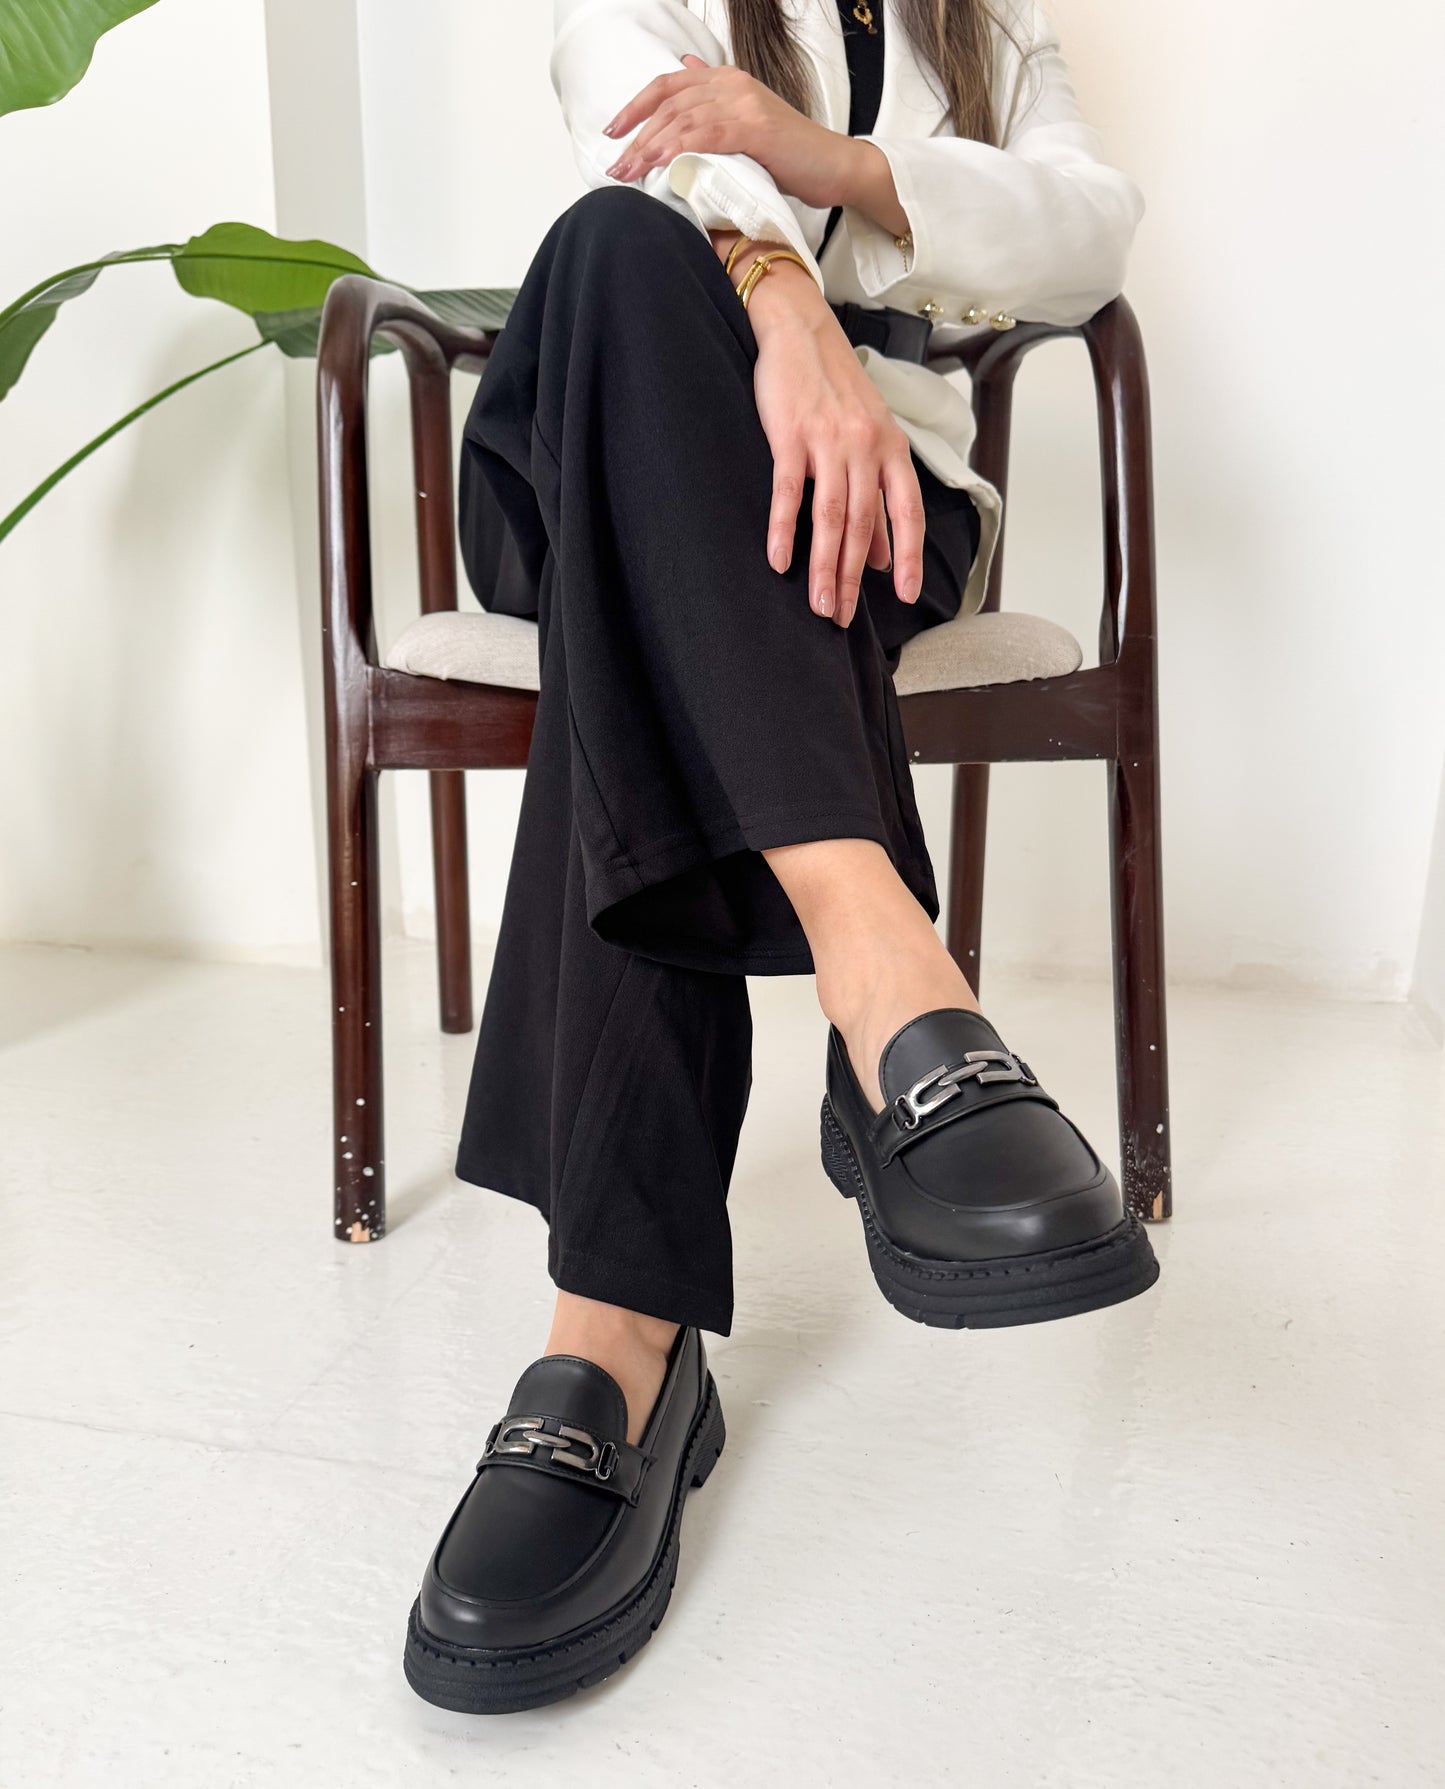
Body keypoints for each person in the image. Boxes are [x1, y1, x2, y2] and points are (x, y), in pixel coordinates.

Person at [403, 0, 1157, 1715]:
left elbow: (1090, 227)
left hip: (881, 513)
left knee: (639, 650)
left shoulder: (994, 29)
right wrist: (788, 297)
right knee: (607, 244)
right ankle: (881, 966)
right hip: (607, 435)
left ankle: (615, 1334)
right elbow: (625, 124)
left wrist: (827, 161)